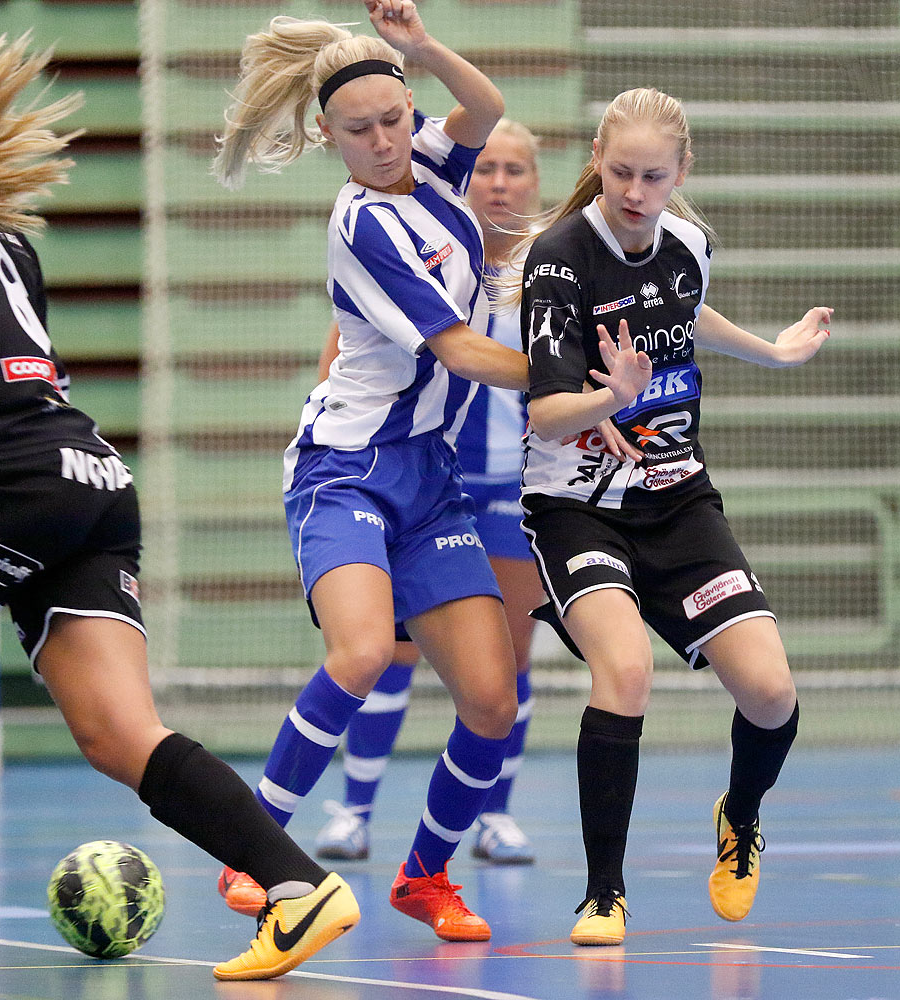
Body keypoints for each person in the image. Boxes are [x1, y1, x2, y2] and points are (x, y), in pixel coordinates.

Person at [0, 36, 357, 982]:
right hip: (88, 476)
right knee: (120, 734)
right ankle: (298, 889)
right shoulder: (3, 233)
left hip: (10, 479)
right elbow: (17, 382)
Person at [209, 0, 645, 943]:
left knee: (492, 701)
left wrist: (420, 49)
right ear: (327, 136)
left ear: (411, 113)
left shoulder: (437, 161)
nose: (380, 142)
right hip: (348, 469)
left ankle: (424, 876)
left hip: (430, 476)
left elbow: (485, 107)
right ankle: (257, 849)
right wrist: (578, 389)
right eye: (357, 131)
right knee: (365, 653)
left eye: (393, 120)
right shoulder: (364, 224)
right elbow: (459, 351)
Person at [503, 87, 832, 947]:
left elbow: (681, 314)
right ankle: (603, 894)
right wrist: (606, 397)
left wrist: (772, 349)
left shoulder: (690, 245)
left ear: (681, 172)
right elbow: (543, 412)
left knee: (769, 693)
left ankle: (741, 815)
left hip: (677, 496)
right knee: (627, 669)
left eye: (654, 176)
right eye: (620, 174)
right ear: (598, 163)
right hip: (576, 505)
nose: (636, 191)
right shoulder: (561, 259)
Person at [309, 119, 547, 866]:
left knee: (508, 658)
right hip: (433, 481)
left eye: (516, 170)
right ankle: (353, 809)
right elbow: (345, 357)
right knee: (391, 651)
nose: (500, 181)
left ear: (535, 183)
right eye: (490, 169)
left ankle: (494, 816)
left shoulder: (551, 276)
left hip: (517, 491)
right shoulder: (426, 257)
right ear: (469, 178)